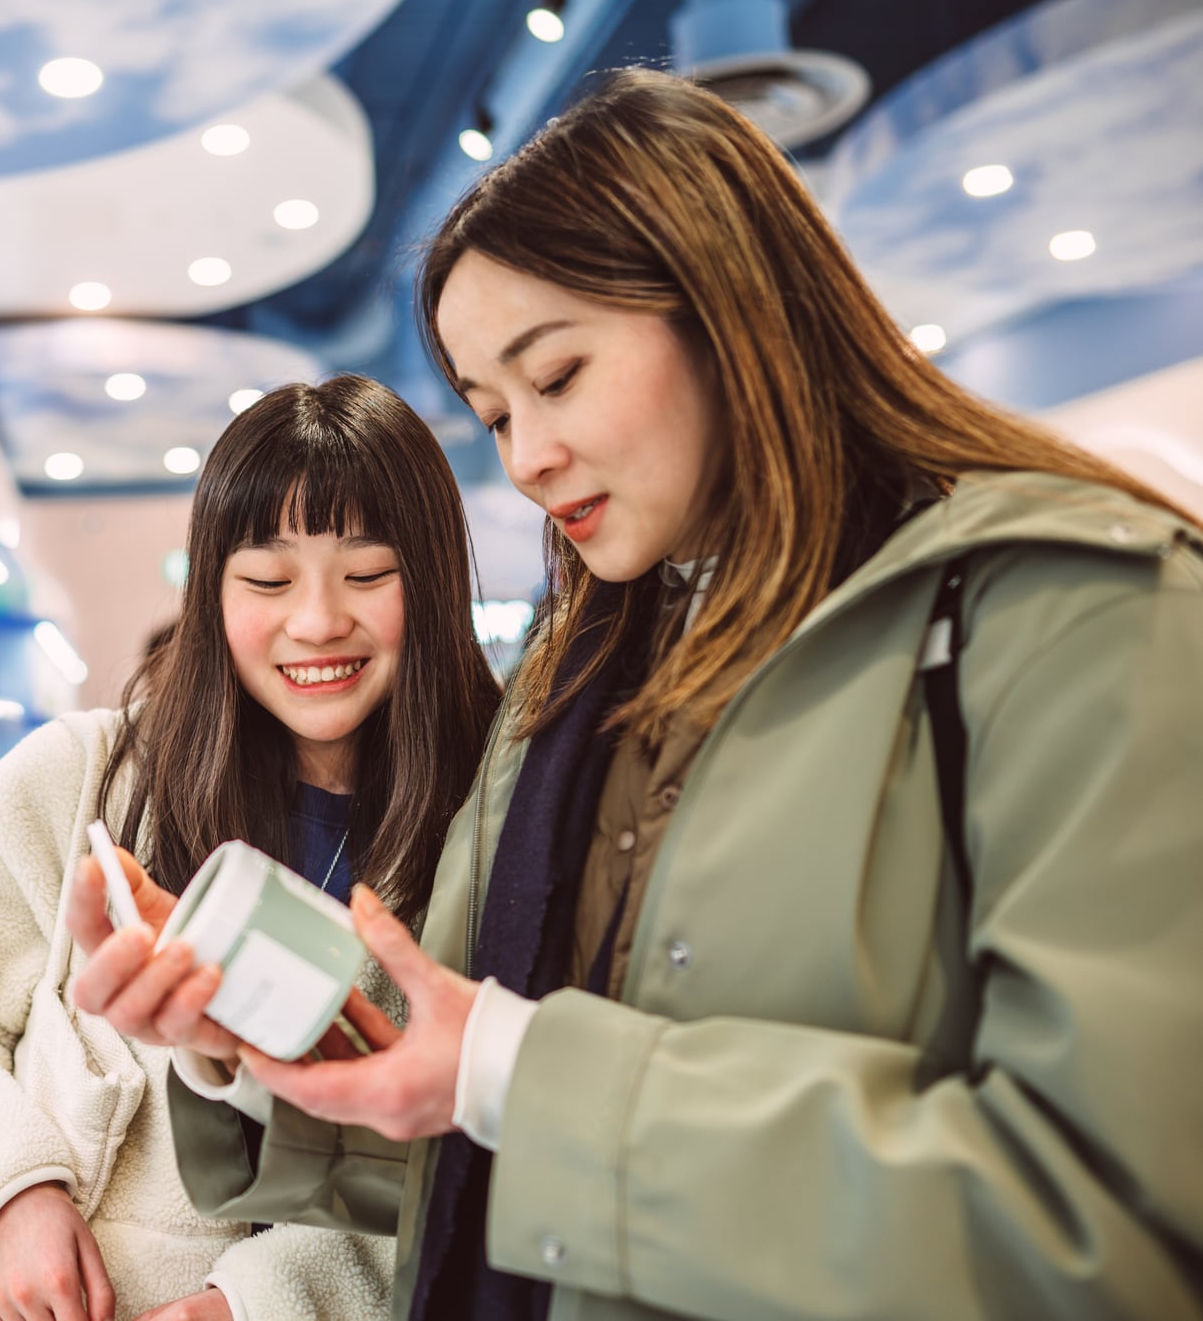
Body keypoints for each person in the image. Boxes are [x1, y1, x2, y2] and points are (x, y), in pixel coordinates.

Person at [68, 67, 1203, 1320]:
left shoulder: (1068, 613)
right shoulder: (570, 682)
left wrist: (516, 1067)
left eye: (556, 376)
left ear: (734, 309)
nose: (528, 455)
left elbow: (1110, 1224)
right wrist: (270, 1038)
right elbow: (470, 1150)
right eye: (492, 413)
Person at [0, 374, 502, 1320]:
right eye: (266, 581)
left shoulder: (488, 835)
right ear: (210, 590)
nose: (315, 622)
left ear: (434, 582)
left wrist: (258, 1305)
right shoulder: (81, 778)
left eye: (365, 574)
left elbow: (458, 1163)